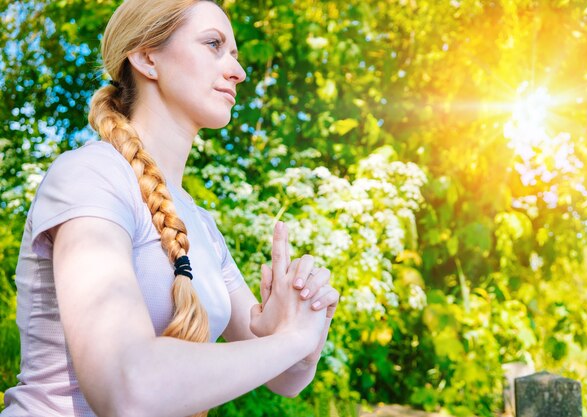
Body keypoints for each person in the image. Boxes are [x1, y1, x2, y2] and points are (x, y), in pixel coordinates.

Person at [1, 0, 340, 416]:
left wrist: (304, 326)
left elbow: (284, 379)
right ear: (147, 57)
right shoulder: (90, 176)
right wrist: (291, 341)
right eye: (214, 44)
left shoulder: (198, 222)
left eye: (234, 54)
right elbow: (127, 391)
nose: (238, 71)